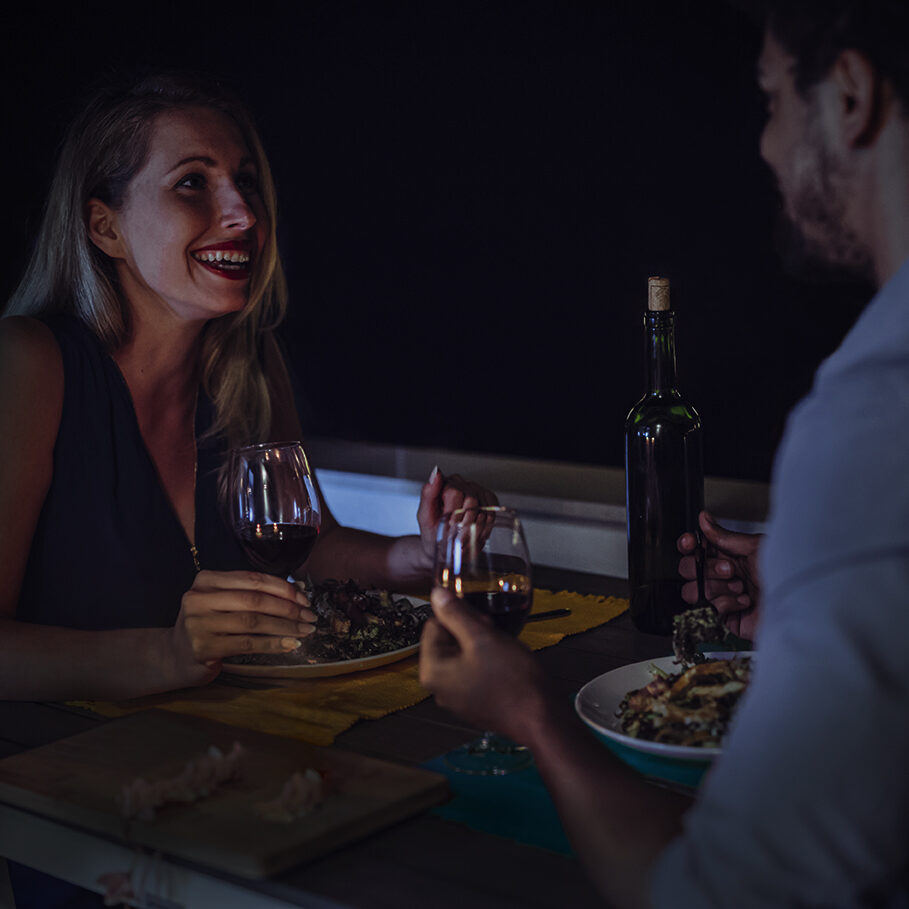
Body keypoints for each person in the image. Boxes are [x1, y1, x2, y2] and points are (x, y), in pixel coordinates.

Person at [420, 1, 909, 906]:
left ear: (849, 96)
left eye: (770, 102)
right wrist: (819, 592)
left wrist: (527, 709)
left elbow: (718, 894)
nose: (765, 147)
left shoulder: (871, 419)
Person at [0, 71, 496, 705]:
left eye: (247, 183)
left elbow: (305, 548)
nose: (242, 214)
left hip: (225, 754)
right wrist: (166, 654)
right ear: (106, 228)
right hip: (66, 774)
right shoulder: (30, 363)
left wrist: (420, 556)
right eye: (192, 183)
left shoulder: (247, 361)